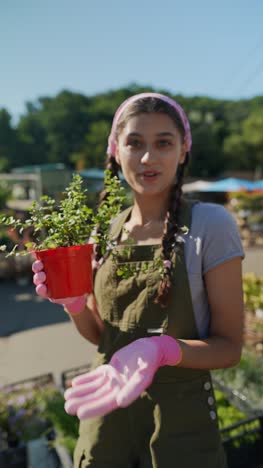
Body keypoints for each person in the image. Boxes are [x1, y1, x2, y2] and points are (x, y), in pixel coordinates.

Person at [32, 92, 244, 468]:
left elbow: (228, 348)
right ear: (116, 151)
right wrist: (75, 306)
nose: (148, 158)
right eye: (135, 143)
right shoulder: (103, 233)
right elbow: (102, 336)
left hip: (179, 428)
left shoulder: (210, 225)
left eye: (164, 143)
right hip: (107, 417)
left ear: (183, 151)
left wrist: (163, 350)